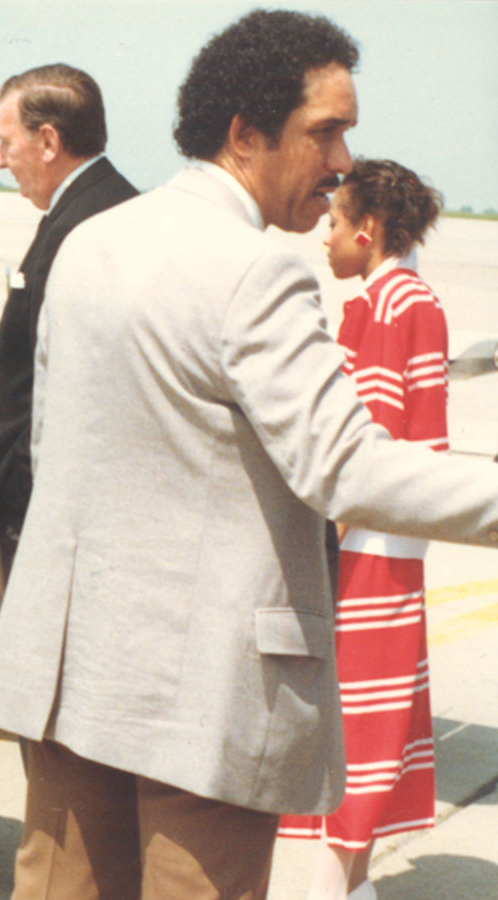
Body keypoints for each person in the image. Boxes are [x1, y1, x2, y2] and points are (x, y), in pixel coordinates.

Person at [0, 11, 498, 899]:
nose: (340, 163)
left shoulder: (92, 242)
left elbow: (54, 443)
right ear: (245, 133)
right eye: (325, 132)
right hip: (201, 695)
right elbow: (348, 468)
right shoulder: (258, 269)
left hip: (71, 672)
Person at [276, 159, 447, 900]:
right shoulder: (410, 299)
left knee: (359, 716)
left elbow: (363, 448)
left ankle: (330, 886)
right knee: (376, 710)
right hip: (394, 541)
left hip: (366, 547)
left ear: (367, 232)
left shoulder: (387, 307)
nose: (325, 237)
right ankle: (351, 883)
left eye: (335, 223)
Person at [0, 63, 137, 600]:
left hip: (44, 506)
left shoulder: (89, 226)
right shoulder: (92, 209)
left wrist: (18, 495)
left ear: (48, 141)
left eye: (5, 142)